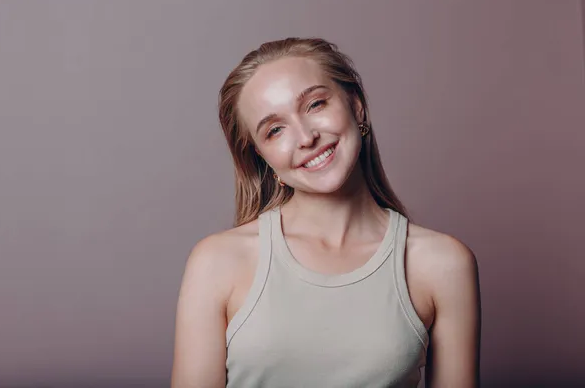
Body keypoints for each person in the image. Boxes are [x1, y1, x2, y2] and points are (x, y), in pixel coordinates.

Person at [171, 37, 481, 388]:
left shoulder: (441, 263)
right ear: (262, 158)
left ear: (357, 106)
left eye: (316, 104)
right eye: (275, 130)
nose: (305, 137)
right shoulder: (217, 261)